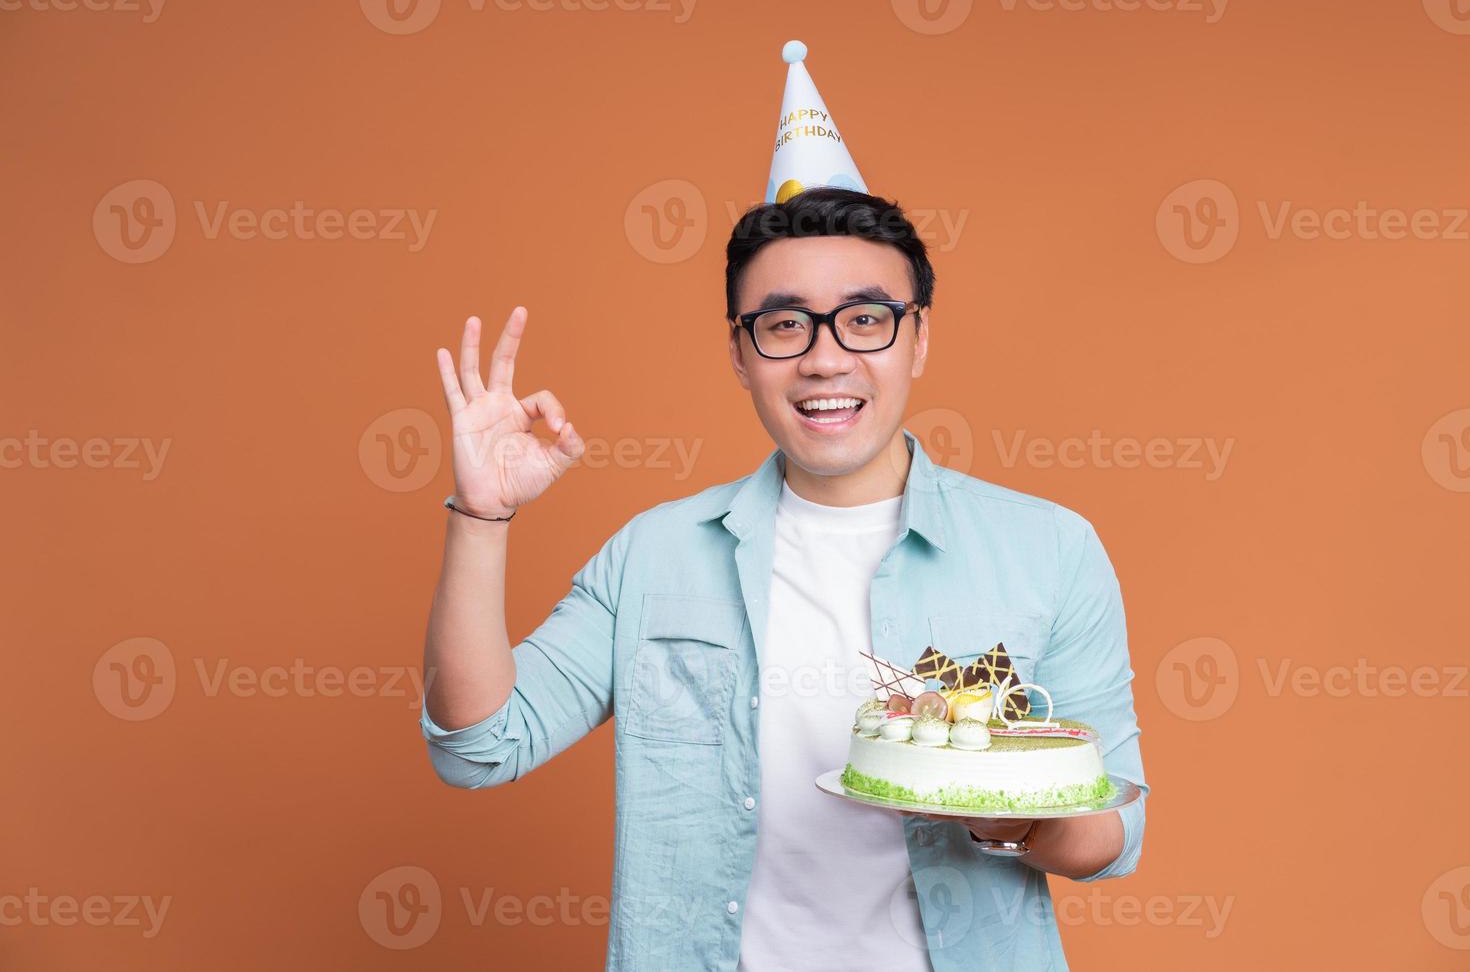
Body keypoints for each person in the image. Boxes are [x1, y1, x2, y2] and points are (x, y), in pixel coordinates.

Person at [418, 184, 1148, 971]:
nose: (825, 358)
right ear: (739, 351)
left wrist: (996, 812)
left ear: (919, 339)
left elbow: (1112, 837)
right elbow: (479, 747)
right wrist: (481, 515)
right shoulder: (654, 555)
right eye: (785, 324)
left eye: (866, 319)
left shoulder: (1049, 549)